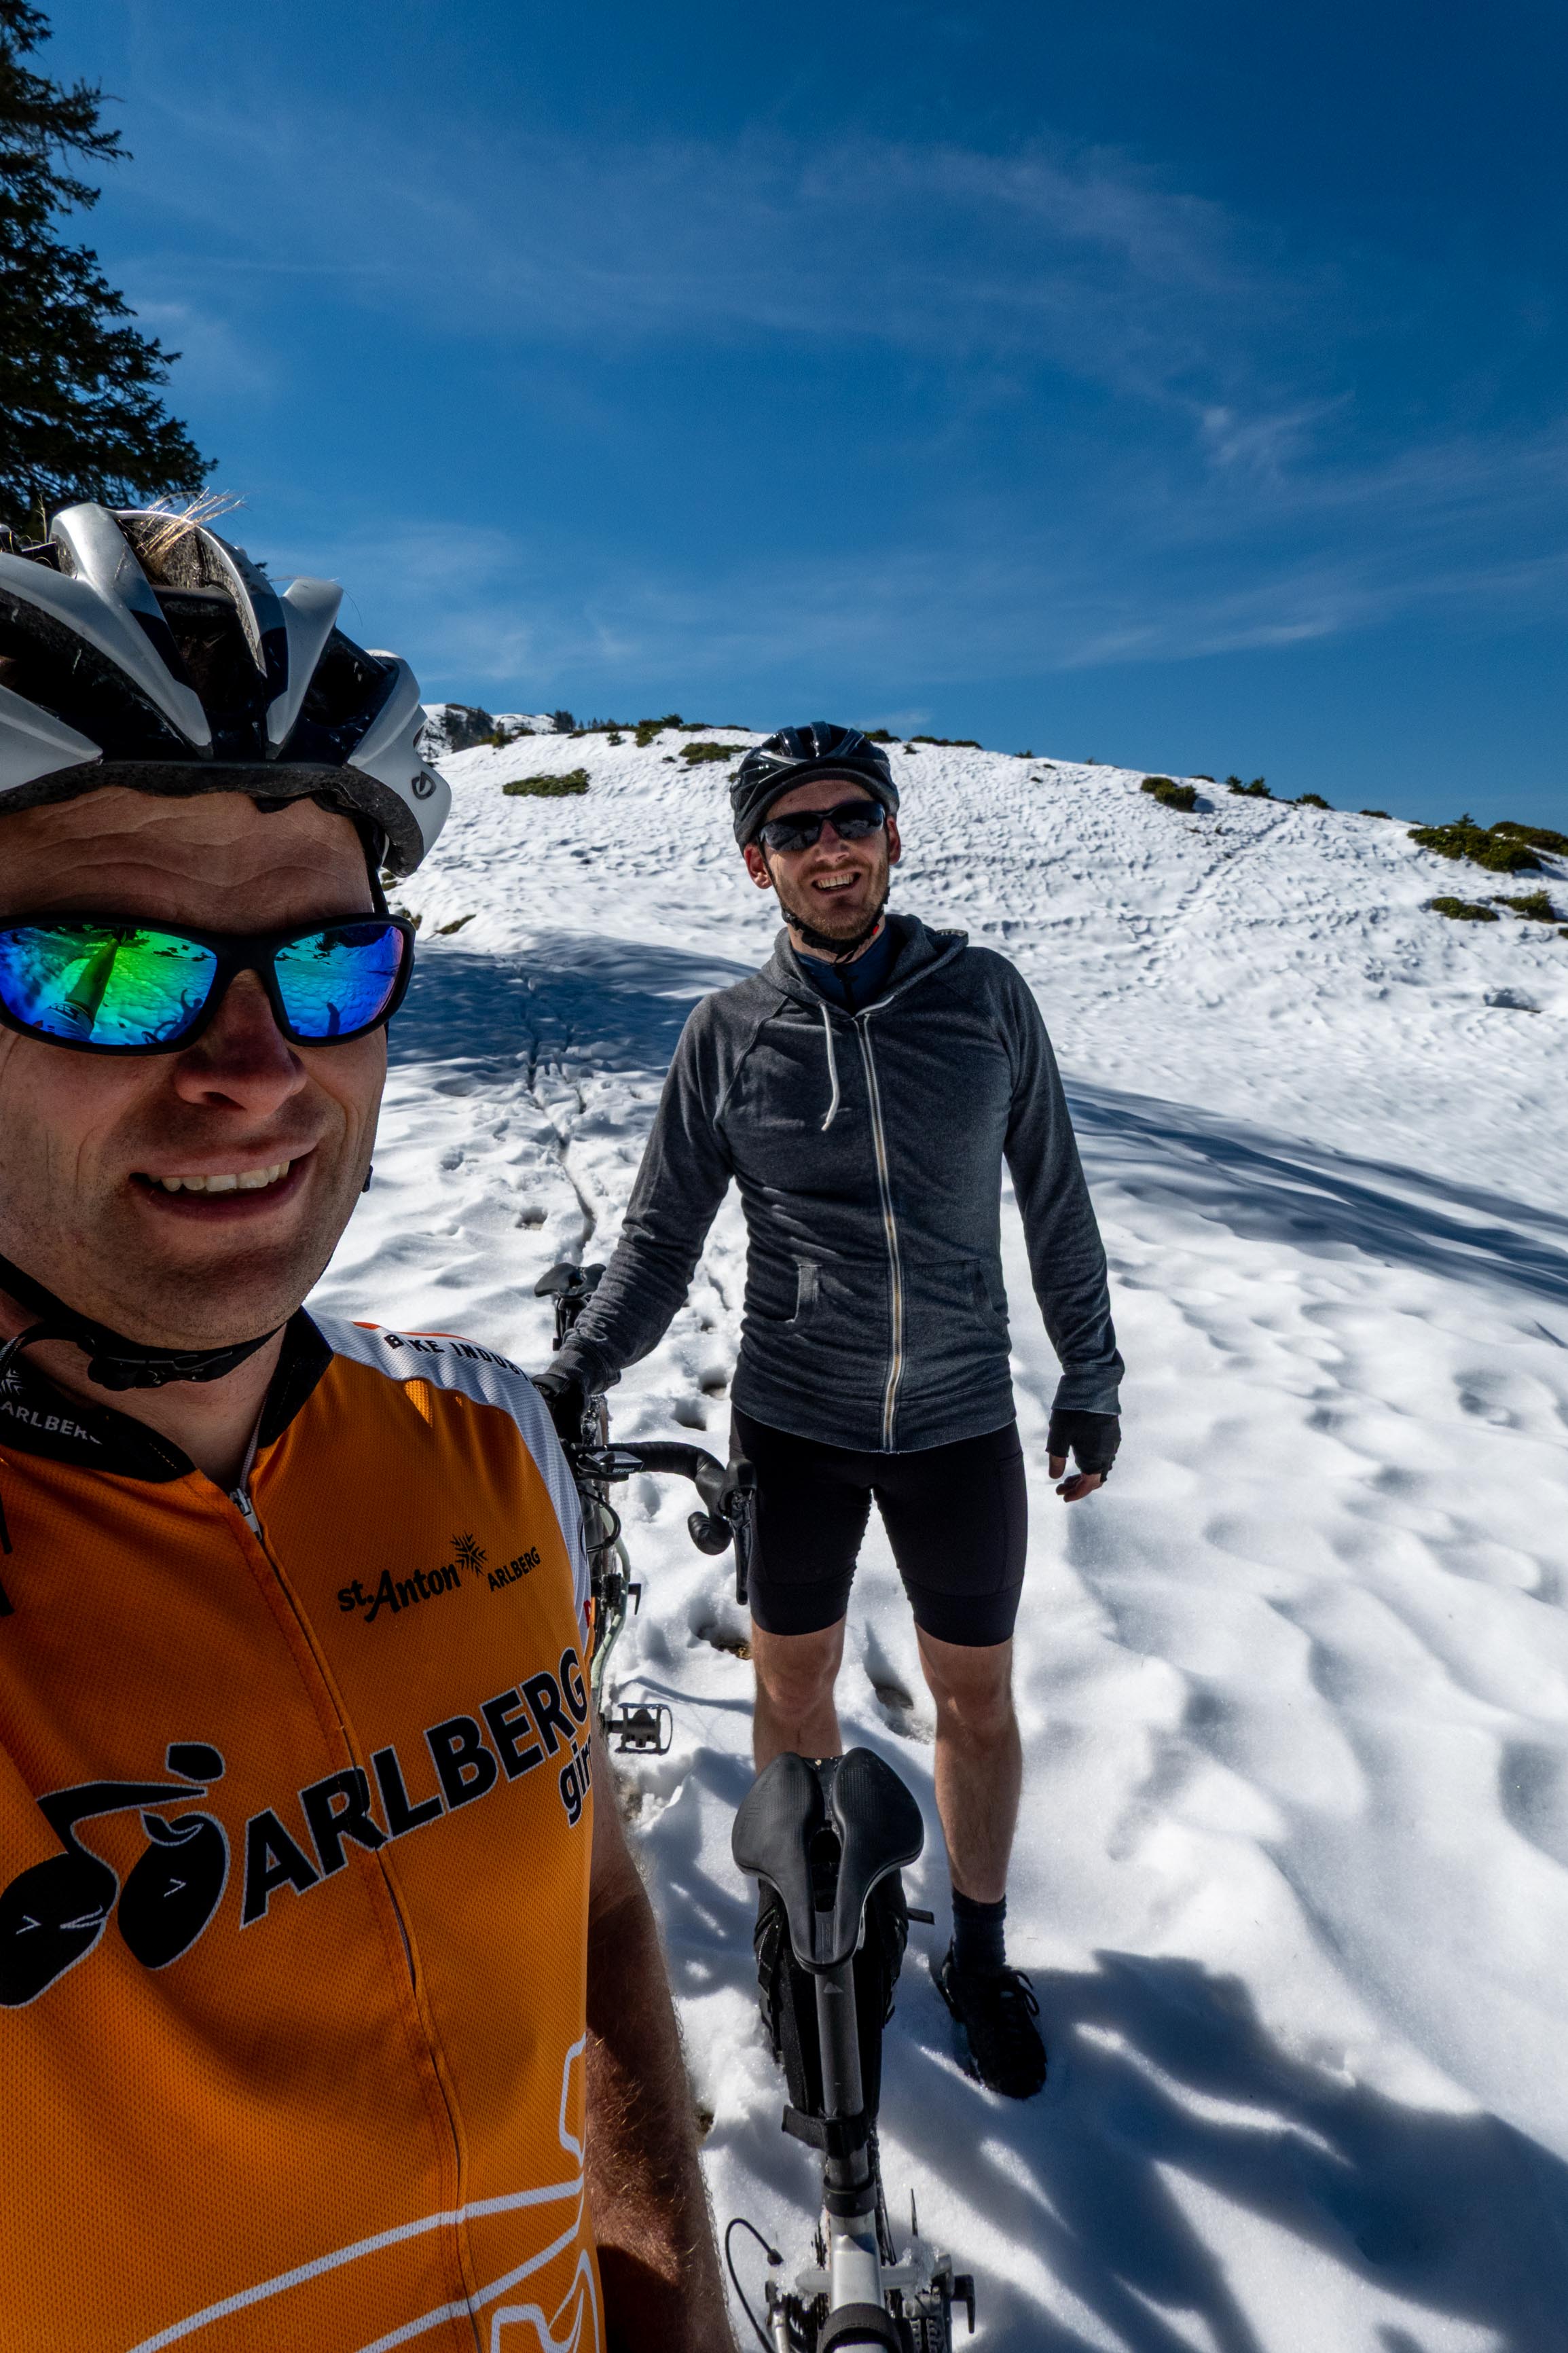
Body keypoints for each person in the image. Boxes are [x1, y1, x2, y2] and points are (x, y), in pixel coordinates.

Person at [0, 503, 730, 2353]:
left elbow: (590, 1904)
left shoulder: (487, 1448)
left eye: (327, 964)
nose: (257, 1073)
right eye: (102, 967)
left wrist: (673, 2308)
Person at [539, 722, 1123, 2100]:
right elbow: (659, 1241)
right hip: (795, 1418)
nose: (829, 847)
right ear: (760, 864)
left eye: (851, 816)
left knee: (973, 1699)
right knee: (791, 1685)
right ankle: (802, 1937)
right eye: (794, 830)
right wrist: (575, 1373)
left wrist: (1091, 1375)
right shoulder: (728, 1036)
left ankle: (977, 1953)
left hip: (959, 1418)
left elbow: (1054, 1197)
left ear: (893, 834)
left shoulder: (982, 997)